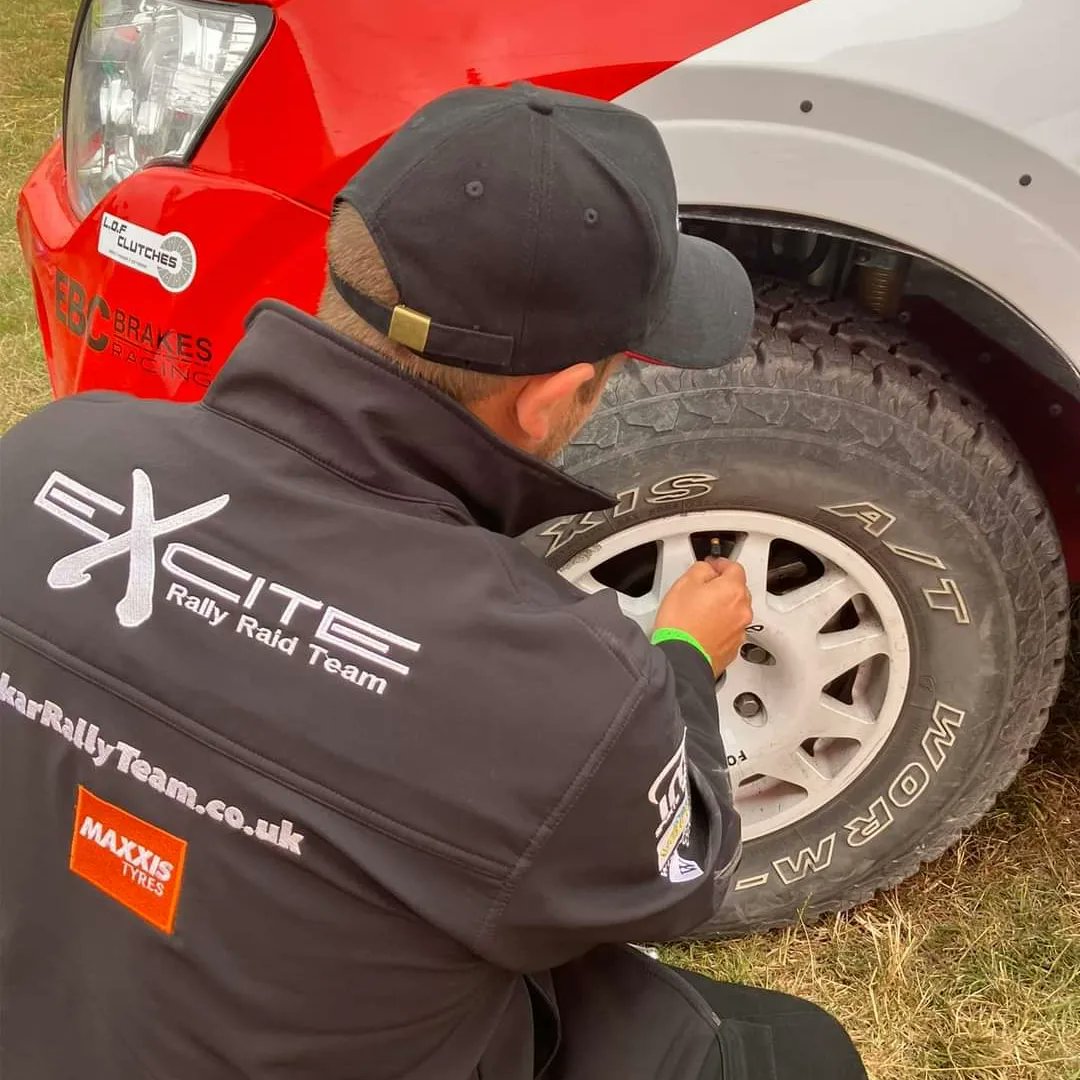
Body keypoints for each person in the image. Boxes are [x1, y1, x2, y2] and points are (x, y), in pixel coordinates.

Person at [0, 83, 867, 1080]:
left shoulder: (51, 457)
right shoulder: (562, 697)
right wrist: (676, 659)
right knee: (802, 1056)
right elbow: (676, 875)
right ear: (547, 400)